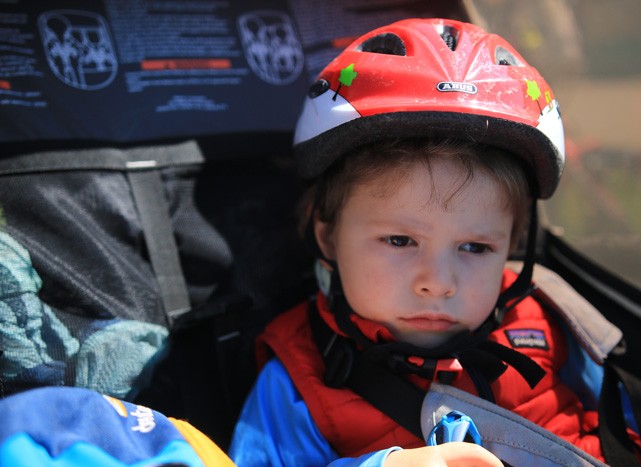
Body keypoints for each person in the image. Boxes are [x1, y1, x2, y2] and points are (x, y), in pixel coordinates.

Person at [230, 18, 603, 466]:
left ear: (512, 245)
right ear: (327, 236)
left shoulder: (552, 325)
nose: (438, 282)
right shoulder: (298, 379)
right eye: (400, 239)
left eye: (475, 248)